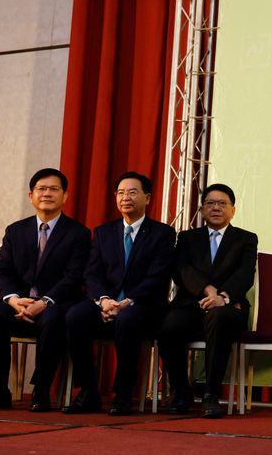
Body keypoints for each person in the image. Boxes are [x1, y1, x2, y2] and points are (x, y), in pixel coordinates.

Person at [0, 168, 90, 412]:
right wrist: (14, 300)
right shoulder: (15, 230)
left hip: (55, 304)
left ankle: (41, 390)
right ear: (31, 195)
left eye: (54, 189)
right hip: (19, 303)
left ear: (65, 196)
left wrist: (44, 301)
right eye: (41, 189)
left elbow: (74, 277)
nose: (47, 194)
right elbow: (3, 271)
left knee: (55, 318)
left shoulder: (78, 233)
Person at [62, 171, 175, 415]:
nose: (126, 197)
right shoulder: (103, 232)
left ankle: (123, 394)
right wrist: (103, 300)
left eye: (133, 192)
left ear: (147, 198)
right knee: (75, 316)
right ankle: (89, 391)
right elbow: (92, 274)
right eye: (121, 193)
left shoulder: (162, 233)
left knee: (128, 319)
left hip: (143, 306)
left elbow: (158, 277)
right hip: (107, 302)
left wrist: (127, 302)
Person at [157, 183, 257, 418]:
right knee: (168, 325)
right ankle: (182, 392)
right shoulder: (187, 237)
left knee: (219, 317)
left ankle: (211, 395)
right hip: (192, 303)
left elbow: (245, 273)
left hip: (229, 306)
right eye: (210, 203)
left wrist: (222, 297)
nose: (216, 208)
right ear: (201, 210)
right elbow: (180, 269)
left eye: (222, 203)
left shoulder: (245, 239)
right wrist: (207, 290)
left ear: (233, 209)